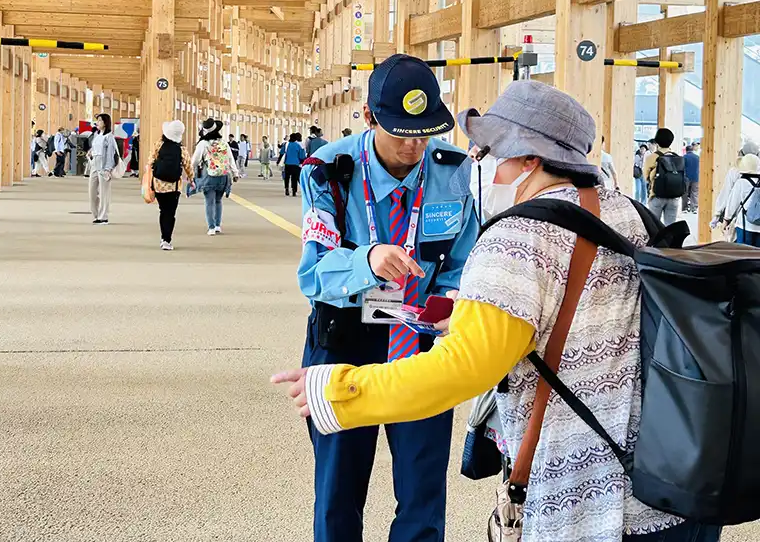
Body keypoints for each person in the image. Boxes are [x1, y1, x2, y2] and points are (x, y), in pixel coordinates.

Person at [274, 80, 718, 542]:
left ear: (528, 160)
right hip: (666, 480)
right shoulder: (631, 215)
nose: (478, 163)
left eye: (488, 150)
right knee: (339, 489)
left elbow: (464, 368)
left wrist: (341, 389)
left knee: (421, 487)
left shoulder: (517, 237)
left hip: (589, 499)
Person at [279, 54, 478, 542]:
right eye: (400, 132)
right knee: (338, 493)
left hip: (422, 338)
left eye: (424, 132)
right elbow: (313, 273)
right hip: (345, 337)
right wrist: (365, 261)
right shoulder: (328, 172)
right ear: (368, 117)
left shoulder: (451, 171)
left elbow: (463, 261)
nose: (414, 145)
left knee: (422, 492)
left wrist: (451, 298)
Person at [149, 120, 195, 251]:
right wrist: (192, 179)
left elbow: (150, 161)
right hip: (174, 186)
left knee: (163, 211)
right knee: (170, 213)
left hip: (158, 184)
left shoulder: (158, 145)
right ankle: (166, 240)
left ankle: (163, 237)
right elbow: (188, 166)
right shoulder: (181, 149)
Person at [191, 118, 239, 236]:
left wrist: (190, 172)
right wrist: (235, 173)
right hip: (223, 176)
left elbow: (195, 161)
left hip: (209, 175)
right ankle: (218, 225)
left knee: (209, 202)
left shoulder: (203, 144)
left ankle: (211, 227)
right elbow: (230, 159)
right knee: (218, 201)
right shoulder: (223, 143)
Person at [713, 141, 760, 228]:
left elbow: (726, 193)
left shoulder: (735, 172)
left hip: (741, 219)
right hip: (757, 217)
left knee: (737, 240)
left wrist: (718, 214)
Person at [644, 128, 683, 226]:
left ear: (656, 141)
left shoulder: (652, 157)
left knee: (653, 226)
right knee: (670, 227)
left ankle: (657, 242)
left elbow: (646, 177)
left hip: (657, 196)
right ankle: (669, 242)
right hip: (674, 197)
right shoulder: (677, 157)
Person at [724, 153, 760, 246]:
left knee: (743, 254)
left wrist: (726, 219)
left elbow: (732, 204)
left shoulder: (741, 183)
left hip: (744, 226)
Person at [89, 114, 119, 224]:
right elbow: (94, 148)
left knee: (104, 192)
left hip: (103, 164)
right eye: (97, 120)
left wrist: (108, 168)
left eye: (100, 120)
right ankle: (96, 214)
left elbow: (110, 154)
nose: (97, 122)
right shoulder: (97, 135)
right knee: (92, 191)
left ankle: (103, 216)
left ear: (105, 123)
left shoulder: (109, 137)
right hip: (94, 163)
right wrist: (91, 152)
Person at [277, 132, 306, 197]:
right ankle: (294, 191)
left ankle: (286, 188)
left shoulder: (286, 144)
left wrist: (278, 161)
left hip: (287, 164)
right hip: (296, 164)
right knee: (294, 178)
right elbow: (302, 156)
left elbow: (281, 153)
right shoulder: (298, 146)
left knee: (287, 177)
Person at [682, 145, 700, 213]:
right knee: (695, 193)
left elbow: (682, 167)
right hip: (696, 177)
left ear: (686, 151)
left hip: (686, 177)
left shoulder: (684, 157)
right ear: (692, 150)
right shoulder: (697, 157)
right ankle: (694, 208)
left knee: (685, 193)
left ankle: (685, 208)